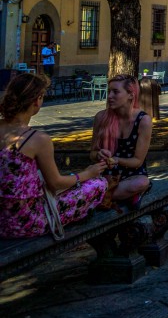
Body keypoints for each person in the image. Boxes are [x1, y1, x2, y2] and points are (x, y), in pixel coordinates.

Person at [0, 73, 109, 238]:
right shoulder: (37, 139)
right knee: (99, 183)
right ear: (37, 100)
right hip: (23, 221)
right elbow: (55, 183)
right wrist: (88, 173)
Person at [90, 75, 152, 205]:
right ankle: (116, 196)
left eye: (115, 92)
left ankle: (97, 197)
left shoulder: (143, 120)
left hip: (132, 174)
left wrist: (117, 160)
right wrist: (99, 154)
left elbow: (138, 161)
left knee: (141, 182)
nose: (110, 96)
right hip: (105, 174)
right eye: (109, 92)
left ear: (130, 94)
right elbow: (92, 154)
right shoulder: (101, 118)